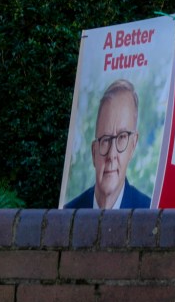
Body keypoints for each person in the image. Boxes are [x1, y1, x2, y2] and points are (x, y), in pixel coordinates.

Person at [64, 79, 152, 209]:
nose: (111, 155)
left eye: (122, 137)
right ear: (94, 152)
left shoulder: (148, 212)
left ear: (133, 146)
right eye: (105, 140)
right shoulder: (69, 212)